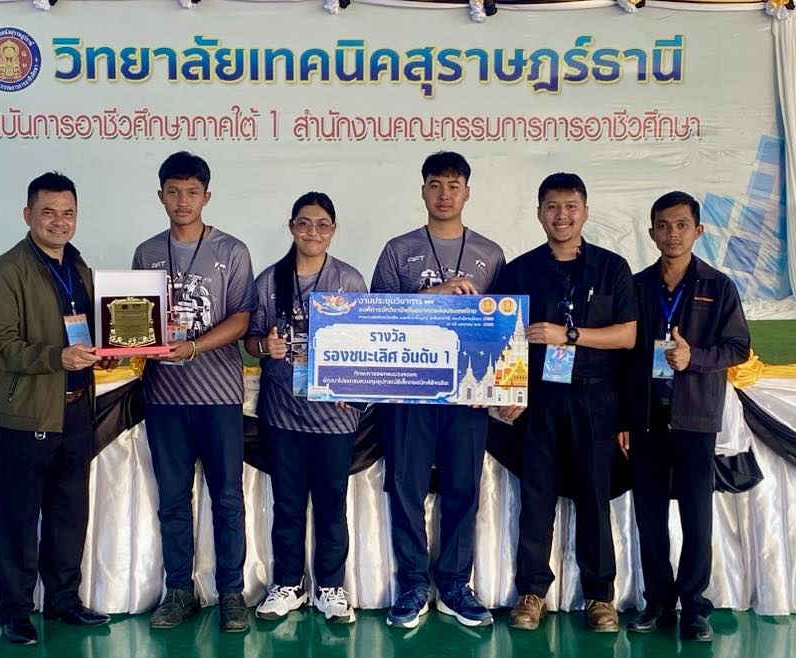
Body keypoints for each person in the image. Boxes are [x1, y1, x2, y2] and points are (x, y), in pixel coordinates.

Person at [0, 172, 115, 646]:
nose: (59, 222)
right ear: (28, 215)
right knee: (19, 519)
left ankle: (63, 601)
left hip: (76, 411)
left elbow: (95, 330)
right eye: (48, 212)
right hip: (28, 414)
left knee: (68, 514)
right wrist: (58, 357)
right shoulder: (3, 271)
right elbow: (1, 346)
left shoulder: (80, 268)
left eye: (68, 213)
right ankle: (15, 612)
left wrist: (111, 349)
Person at [370, 151, 505, 629]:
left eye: (453, 185)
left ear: (467, 192)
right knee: (405, 488)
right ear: (423, 190)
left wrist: (501, 390)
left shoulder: (490, 254)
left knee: (462, 489)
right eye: (435, 184)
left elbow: (502, 328)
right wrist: (434, 295)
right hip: (409, 393)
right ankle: (412, 584)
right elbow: (377, 317)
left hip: (467, 394)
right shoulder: (397, 250)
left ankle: (454, 584)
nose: (444, 194)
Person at [497, 172, 637, 633]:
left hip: (596, 399)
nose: (562, 216)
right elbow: (501, 338)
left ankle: (600, 597)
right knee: (535, 499)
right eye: (552, 207)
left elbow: (628, 335)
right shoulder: (519, 270)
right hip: (539, 400)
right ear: (539, 213)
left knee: (594, 499)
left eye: (571, 206)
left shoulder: (612, 267)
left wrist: (569, 335)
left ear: (585, 212)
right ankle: (531, 592)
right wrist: (509, 391)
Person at [131, 152, 256, 633]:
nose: (182, 201)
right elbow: (133, 319)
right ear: (160, 195)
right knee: (173, 500)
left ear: (206, 196)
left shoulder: (233, 251)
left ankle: (231, 593)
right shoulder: (146, 253)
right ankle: (178, 590)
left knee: (227, 498)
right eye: (173, 192)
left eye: (192, 192)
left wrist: (194, 347)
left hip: (218, 396)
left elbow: (242, 319)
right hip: (163, 398)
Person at [621, 191, 749, 642]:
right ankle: (657, 601)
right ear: (651, 232)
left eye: (681, 225)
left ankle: (695, 606)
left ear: (698, 231)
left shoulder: (719, 286)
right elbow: (624, 356)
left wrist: (695, 358)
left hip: (695, 418)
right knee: (649, 514)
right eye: (663, 226)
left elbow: (738, 347)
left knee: (697, 516)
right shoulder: (637, 286)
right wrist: (624, 418)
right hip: (646, 418)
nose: (672, 234)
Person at [244, 192, 367, 625]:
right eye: (303, 223)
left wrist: (354, 385)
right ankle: (288, 584)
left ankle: (330, 586)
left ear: (333, 230)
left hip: (335, 415)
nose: (312, 232)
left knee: (332, 504)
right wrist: (266, 346)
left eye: (322, 224)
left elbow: (366, 343)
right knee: (288, 504)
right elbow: (250, 341)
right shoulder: (269, 281)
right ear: (291, 227)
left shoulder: (349, 280)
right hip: (283, 413)